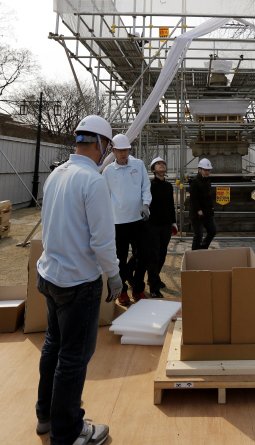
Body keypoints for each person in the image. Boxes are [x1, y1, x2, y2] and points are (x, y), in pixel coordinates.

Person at [36, 115, 121, 445]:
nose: (108, 154)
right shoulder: (93, 181)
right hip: (78, 283)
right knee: (73, 358)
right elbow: (102, 239)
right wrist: (113, 275)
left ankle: (46, 415)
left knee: (52, 347)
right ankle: (68, 432)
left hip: (49, 276)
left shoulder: (57, 174)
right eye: (108, 148)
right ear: (101, 144)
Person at [103, 134, 152, 305]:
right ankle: (122, 291)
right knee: (120, 258)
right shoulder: (108, 171)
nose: (123, 153)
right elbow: (105, 195)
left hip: (139, 219)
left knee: (144, 256)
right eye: (120, 150)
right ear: (113, 151)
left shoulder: (138, 165)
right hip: (118, 222)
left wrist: (146, 204)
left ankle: (138, 290)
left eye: (126, 150)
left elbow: (146, 186)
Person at [147, 156, 178, 298]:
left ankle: (155, 278)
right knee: (153, 256)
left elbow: (171, 206)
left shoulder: (168, 186)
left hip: (166, 225)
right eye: (158, 164)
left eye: (163, 164)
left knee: (162, 254)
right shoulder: (149, 186)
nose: (161, 165)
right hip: (153, 226)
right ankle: (153, 287)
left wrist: (173, 223)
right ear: (153, 169)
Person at [189, 158, 217, 250]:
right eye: (205, 170)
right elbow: (194, 199)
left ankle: (203, 248)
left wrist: (212, 207)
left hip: (208, 212)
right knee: (198, 236)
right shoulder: (195, 182)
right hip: (197, 215)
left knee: (213, 231)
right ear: (199, 170)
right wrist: (199, 211)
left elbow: (209, 195)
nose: (207, 172)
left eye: (208, 170)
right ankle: (194, 254)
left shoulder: (207, 180)